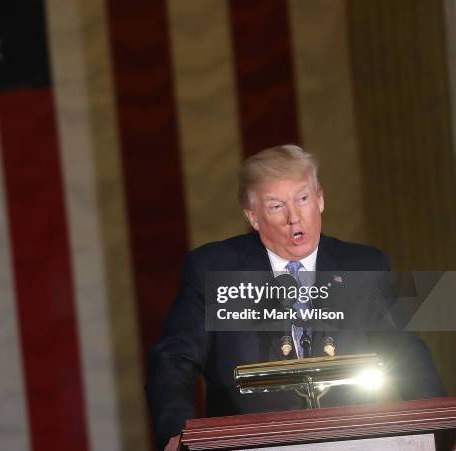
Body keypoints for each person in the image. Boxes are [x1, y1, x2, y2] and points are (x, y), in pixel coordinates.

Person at [146, 145, 446, 450]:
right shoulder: (213, 269)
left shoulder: (365, 266)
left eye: (302, 199)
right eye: (276, 206)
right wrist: (177, 433)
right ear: (253, 217)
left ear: (320, 199)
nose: (294, 217)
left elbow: (407, 355)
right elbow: (174, 360)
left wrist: (443, 431)